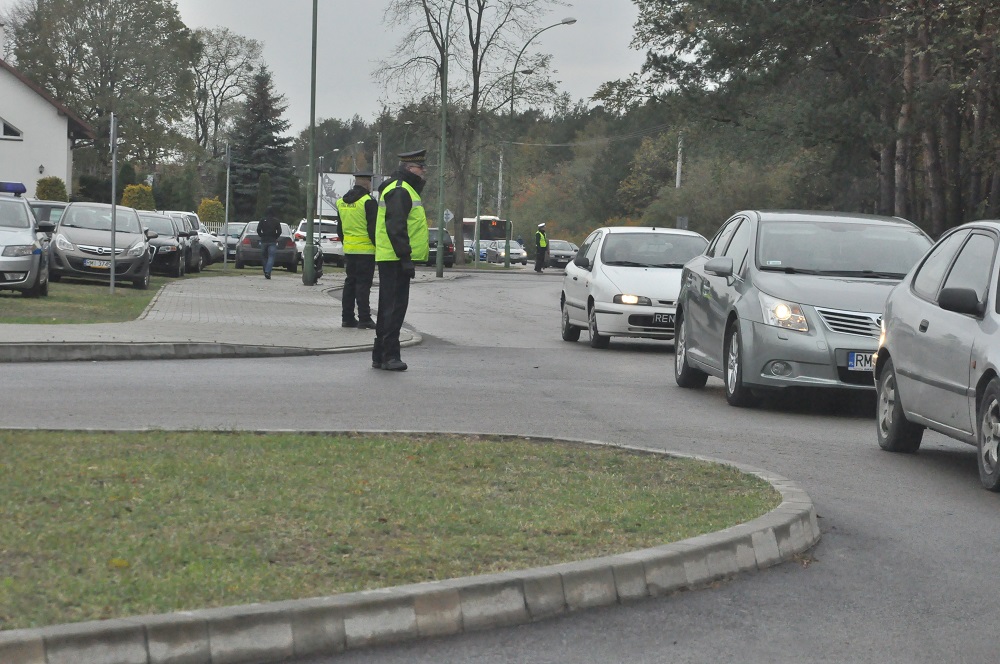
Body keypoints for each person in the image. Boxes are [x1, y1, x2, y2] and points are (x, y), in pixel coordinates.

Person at [371, 149, 430, 372]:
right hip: (395, 257)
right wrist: (405, 257)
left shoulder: (401, 188)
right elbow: (396, 227)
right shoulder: (400, 190)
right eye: (420, 167)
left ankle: (380, 355)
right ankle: (389, 356)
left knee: (389, 306)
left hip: (392, 256)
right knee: (393, 308)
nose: (423, 171)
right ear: (409, 168)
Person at [336, 171, 378, 329]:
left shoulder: (341, 202)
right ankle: (364, 318)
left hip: (349, 249)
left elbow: (339, 229)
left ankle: (347, 318)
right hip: (366, 250)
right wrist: (377, 247)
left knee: (350, 283)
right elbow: (373, 229)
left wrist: (346, 243)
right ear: (367, 183)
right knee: (363, 285)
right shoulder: (368, 201)